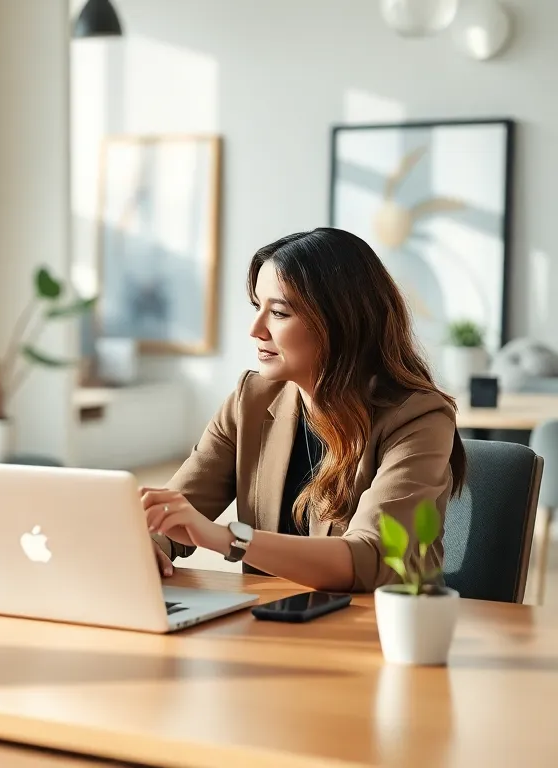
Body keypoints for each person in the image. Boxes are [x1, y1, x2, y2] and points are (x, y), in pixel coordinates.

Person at [143, 228, 465, 593]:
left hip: (372, 633)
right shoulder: (251, 400)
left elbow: (371, 557)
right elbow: (177, 508)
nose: (255, 329)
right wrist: (151, 543)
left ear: (341, 322)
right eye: (256, 306)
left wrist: (228, 538)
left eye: (278, 312)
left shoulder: (418, 418)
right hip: (266, 626)